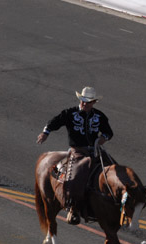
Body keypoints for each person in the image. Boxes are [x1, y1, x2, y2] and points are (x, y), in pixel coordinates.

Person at [36, 87, 113, 225]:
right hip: (78, 151)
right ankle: (73, 207)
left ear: (94, 102)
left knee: (113, 169)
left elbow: (109, 132)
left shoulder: (100, 116)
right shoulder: (70, 113)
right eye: (82, 101)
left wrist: (102, 139)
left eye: (88, 102)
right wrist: (45, 133)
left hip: (95, 150)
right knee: (76, 176)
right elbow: (54, 122)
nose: (84, 104)